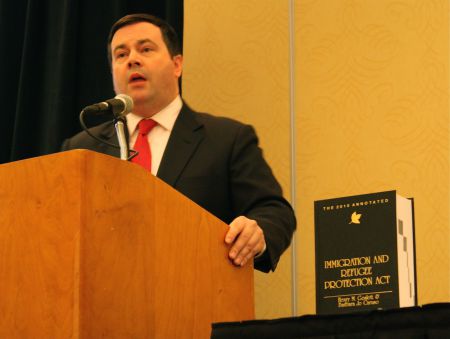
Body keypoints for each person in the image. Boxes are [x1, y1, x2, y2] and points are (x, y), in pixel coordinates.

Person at [61, 13, 296, 273]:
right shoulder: (81, 148)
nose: (133, 60)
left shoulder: (227, 139)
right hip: (101, 300)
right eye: (121, 54)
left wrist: (258, 231)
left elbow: (274, 211)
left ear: (177, 65)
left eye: (145, 49)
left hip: (196, 297)